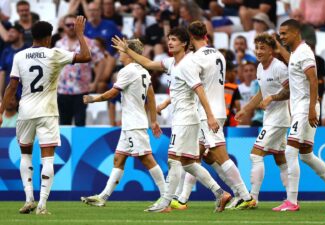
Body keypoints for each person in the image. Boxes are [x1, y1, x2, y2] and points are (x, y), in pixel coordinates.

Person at [112, 27, 231, 213]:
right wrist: (128, 51)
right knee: (189, 163)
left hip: (185, 119)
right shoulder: (172, 62)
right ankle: (220, 193)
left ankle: (165, 202)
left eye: (174, 39)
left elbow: (200, 91)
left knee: (173, 160)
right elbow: (150, 64)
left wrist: (209, 116)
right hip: (184, 118)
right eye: (169, 39)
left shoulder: (187, 65)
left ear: (184, 43)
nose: (170, 42)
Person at [0, 16, 91, 215]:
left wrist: (0, 111)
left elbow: (11, 86)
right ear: (49, 38)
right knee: (47, 159)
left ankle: (28, 199)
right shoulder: (54, 54)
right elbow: (86, 56)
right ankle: (42, 205)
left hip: (25, 112)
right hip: (47, 112)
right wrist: (80, 34)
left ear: (32, 36)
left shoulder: (19, 56)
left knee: (25, 156)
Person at [167, 21, 256, 210]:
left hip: (207, 113)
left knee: (221, 155)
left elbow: (194, 88)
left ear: (190, 38)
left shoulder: (194, 58)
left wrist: (208, 115)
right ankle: (182, 199)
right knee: (199, 155)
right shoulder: (218, 54)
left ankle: (245, 195)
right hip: (218, 108)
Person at [269, 19, 325, 211]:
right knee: (306, 155)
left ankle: (292, 201)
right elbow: (293, 63)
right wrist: (279, 47)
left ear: (296, 33)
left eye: (285, 33)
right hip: (302, 108)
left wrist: (312, 108)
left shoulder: (304, 52)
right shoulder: (297, 53)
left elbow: (314, 80)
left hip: (306, 107)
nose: (282, 36)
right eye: (280, 34)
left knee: (290, 151)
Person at [80, 39, 166, 207]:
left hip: (134, 124)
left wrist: (93, 98)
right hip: (131, 124)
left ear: (129, 53)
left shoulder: (127, 71)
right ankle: (102, 197)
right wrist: (153, 121)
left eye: (121, 51)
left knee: (147, 159)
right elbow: (151, 96)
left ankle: (166, 197)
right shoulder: (143, 71)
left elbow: (112, 93)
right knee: (119, 159)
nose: (119, 53)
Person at [235, 33, 289, 207]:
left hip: (279, 119)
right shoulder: (259, 68)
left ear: (271, 50)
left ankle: (253, 198)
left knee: (255, 155)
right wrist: (245, 109)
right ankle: (291, 198)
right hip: (270, 119)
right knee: (280, 158)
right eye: (257, 47)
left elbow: (290, 91)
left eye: (263, 48)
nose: (259, 51)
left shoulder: (279, 67)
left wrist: (272, 98)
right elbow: (260, 93)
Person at [56, 14, 104, 126]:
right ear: (64, 26)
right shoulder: (59, 44)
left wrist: (95, 82)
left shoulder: (89, 42)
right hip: (63, 90)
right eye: (68, 25)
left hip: (81, 90)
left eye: (74, 25)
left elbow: (100, 61)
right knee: (63, 123)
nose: (71, 27)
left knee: (80, 122)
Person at [0, 23, 28, 100]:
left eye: (12, 32)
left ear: (20, 34)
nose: (9, 34)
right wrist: (0, 94)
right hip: (10, 95)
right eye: (9, 32)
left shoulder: (28, 50)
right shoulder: (6, 51)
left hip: (26, 94)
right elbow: (2, 73)